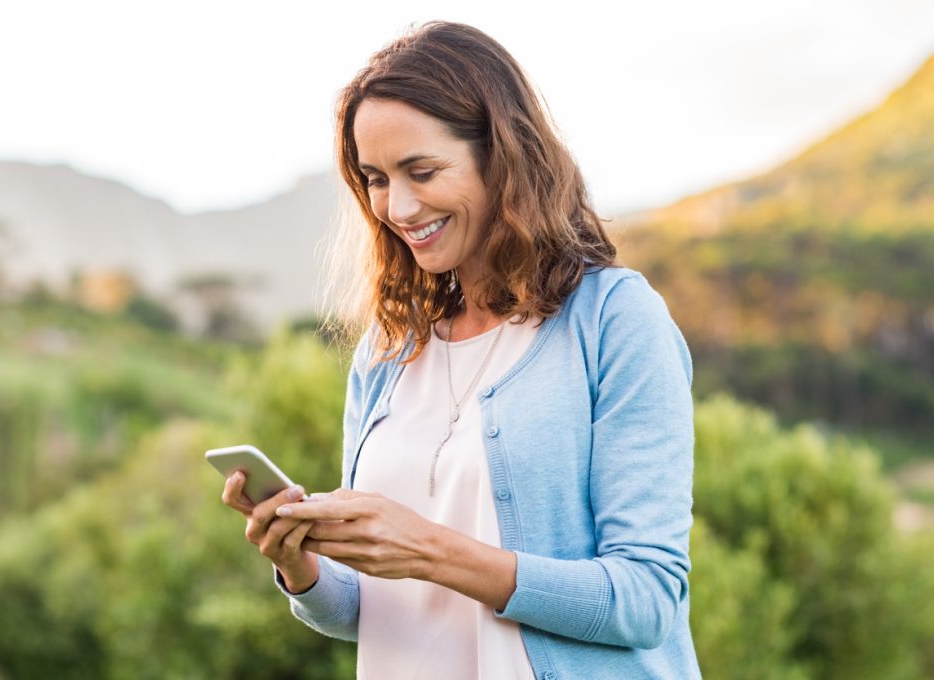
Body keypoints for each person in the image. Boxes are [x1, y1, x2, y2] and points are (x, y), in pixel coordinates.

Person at [221, 20, 700, 679]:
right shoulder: (389, 351)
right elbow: (379, 609)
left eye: (422, 171)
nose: (398, 206)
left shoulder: (615, 320)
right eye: (376, 179)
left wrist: (427, 550)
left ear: (501, 157)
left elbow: (644, 601)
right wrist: (299, 563)